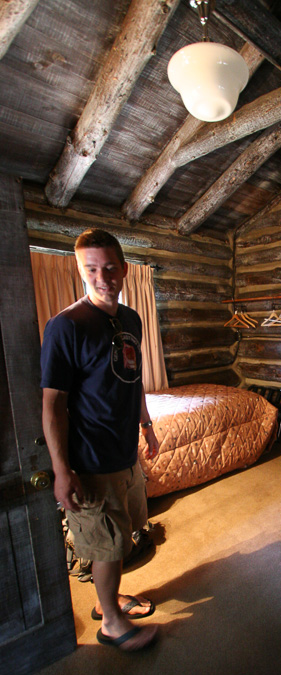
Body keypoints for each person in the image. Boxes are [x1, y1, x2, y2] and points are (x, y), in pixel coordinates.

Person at [41, 228, 159, 652]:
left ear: (124, 269)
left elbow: (133, 379)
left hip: (124, 453)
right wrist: (61, 470)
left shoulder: (131, 319)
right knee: (107, 544)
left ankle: (108, 601)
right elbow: (53, 404)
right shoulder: (66, 326)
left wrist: (147, 426)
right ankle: (111, 622)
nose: (102, 276)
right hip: (91, 459)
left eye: (109, 267)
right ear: (80, 271)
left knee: (121, 535)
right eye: (91, 269)